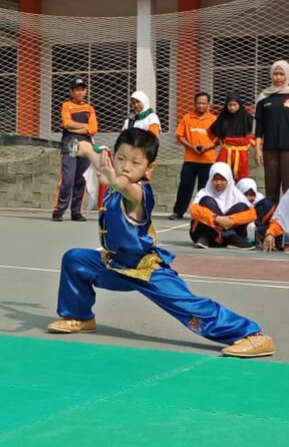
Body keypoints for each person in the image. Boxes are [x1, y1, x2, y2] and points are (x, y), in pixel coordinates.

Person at [47, 129, 275, 358]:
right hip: (114, 264)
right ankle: (80, 317)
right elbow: (97, 158)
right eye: (121, 158)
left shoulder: (139, 193)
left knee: (188, 306)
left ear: (149, 169)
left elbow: (125, 188)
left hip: (144, 269)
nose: (126, 166)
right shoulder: (113, 172)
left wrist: (115, 181)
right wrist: (82, 148)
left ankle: (252, 335)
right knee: (75, 259)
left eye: (135, 162)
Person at [254, 61, 289, 204]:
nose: (278, 77)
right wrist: (258, 149)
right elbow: (259, 126)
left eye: (281, 74)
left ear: (287, 75)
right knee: (270, 187)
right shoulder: (264, 97)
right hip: (269, 149)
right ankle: (271, 219)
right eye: (275, 74)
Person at [53, 77, 98, 222]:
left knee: (81, 180)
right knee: (68, 178)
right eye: (77, 89)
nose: (80, 92)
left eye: (82, 89)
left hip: (85, 147)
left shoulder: (89, 108)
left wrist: (78, 127)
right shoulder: (66, 105)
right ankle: (58, 210)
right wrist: (84, 127)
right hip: (69, 145)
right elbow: (66, 123)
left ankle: (76, 211)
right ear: (71, 91)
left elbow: (93, 129)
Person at [169, 92, 217, 221]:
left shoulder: (213, 119)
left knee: (204, 189)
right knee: (185, 186)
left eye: (203, 103)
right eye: (198, 103)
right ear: (194, 103)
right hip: (190, 159)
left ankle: (202, 213)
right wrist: (191, 146)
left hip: (207, 159)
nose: (201, 105)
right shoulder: (187, 117)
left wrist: (207, 147)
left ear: (208, 105)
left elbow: (218, 138)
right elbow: (180, 136)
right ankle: (178, 212)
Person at [188, 162, 255, 250]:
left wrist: (227, 221)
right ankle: (229, 236)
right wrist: (216, 218)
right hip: (201, 236)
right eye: (215, 179)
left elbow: (252, 214)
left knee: (242, 207)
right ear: (210, 179)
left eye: (222, 179)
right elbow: (194, 210)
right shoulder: (204, 192)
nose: (218, 183)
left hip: (224, 238)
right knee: (207, 200)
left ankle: (226, 235)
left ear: (228, 179)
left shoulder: (236, 193)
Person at [209, 92, 255, 181]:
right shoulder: (223, 118)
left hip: (242, 153)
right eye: (230, 105)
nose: (232, 107)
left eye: (234, 104)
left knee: (242, 178)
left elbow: (254, 134)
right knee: (222, 175)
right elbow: (213, 133)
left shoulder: (248, 118)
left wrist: (251, 145)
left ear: (239, 104)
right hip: (226, 152)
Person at [236, 178, 274, 245]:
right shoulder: (234, 200)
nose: (250, 198)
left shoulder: (260, 201)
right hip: (240, 227)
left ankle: (255, 232)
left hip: (255, 225)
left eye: (252, 195)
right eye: (246, 195)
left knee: (267, 203)